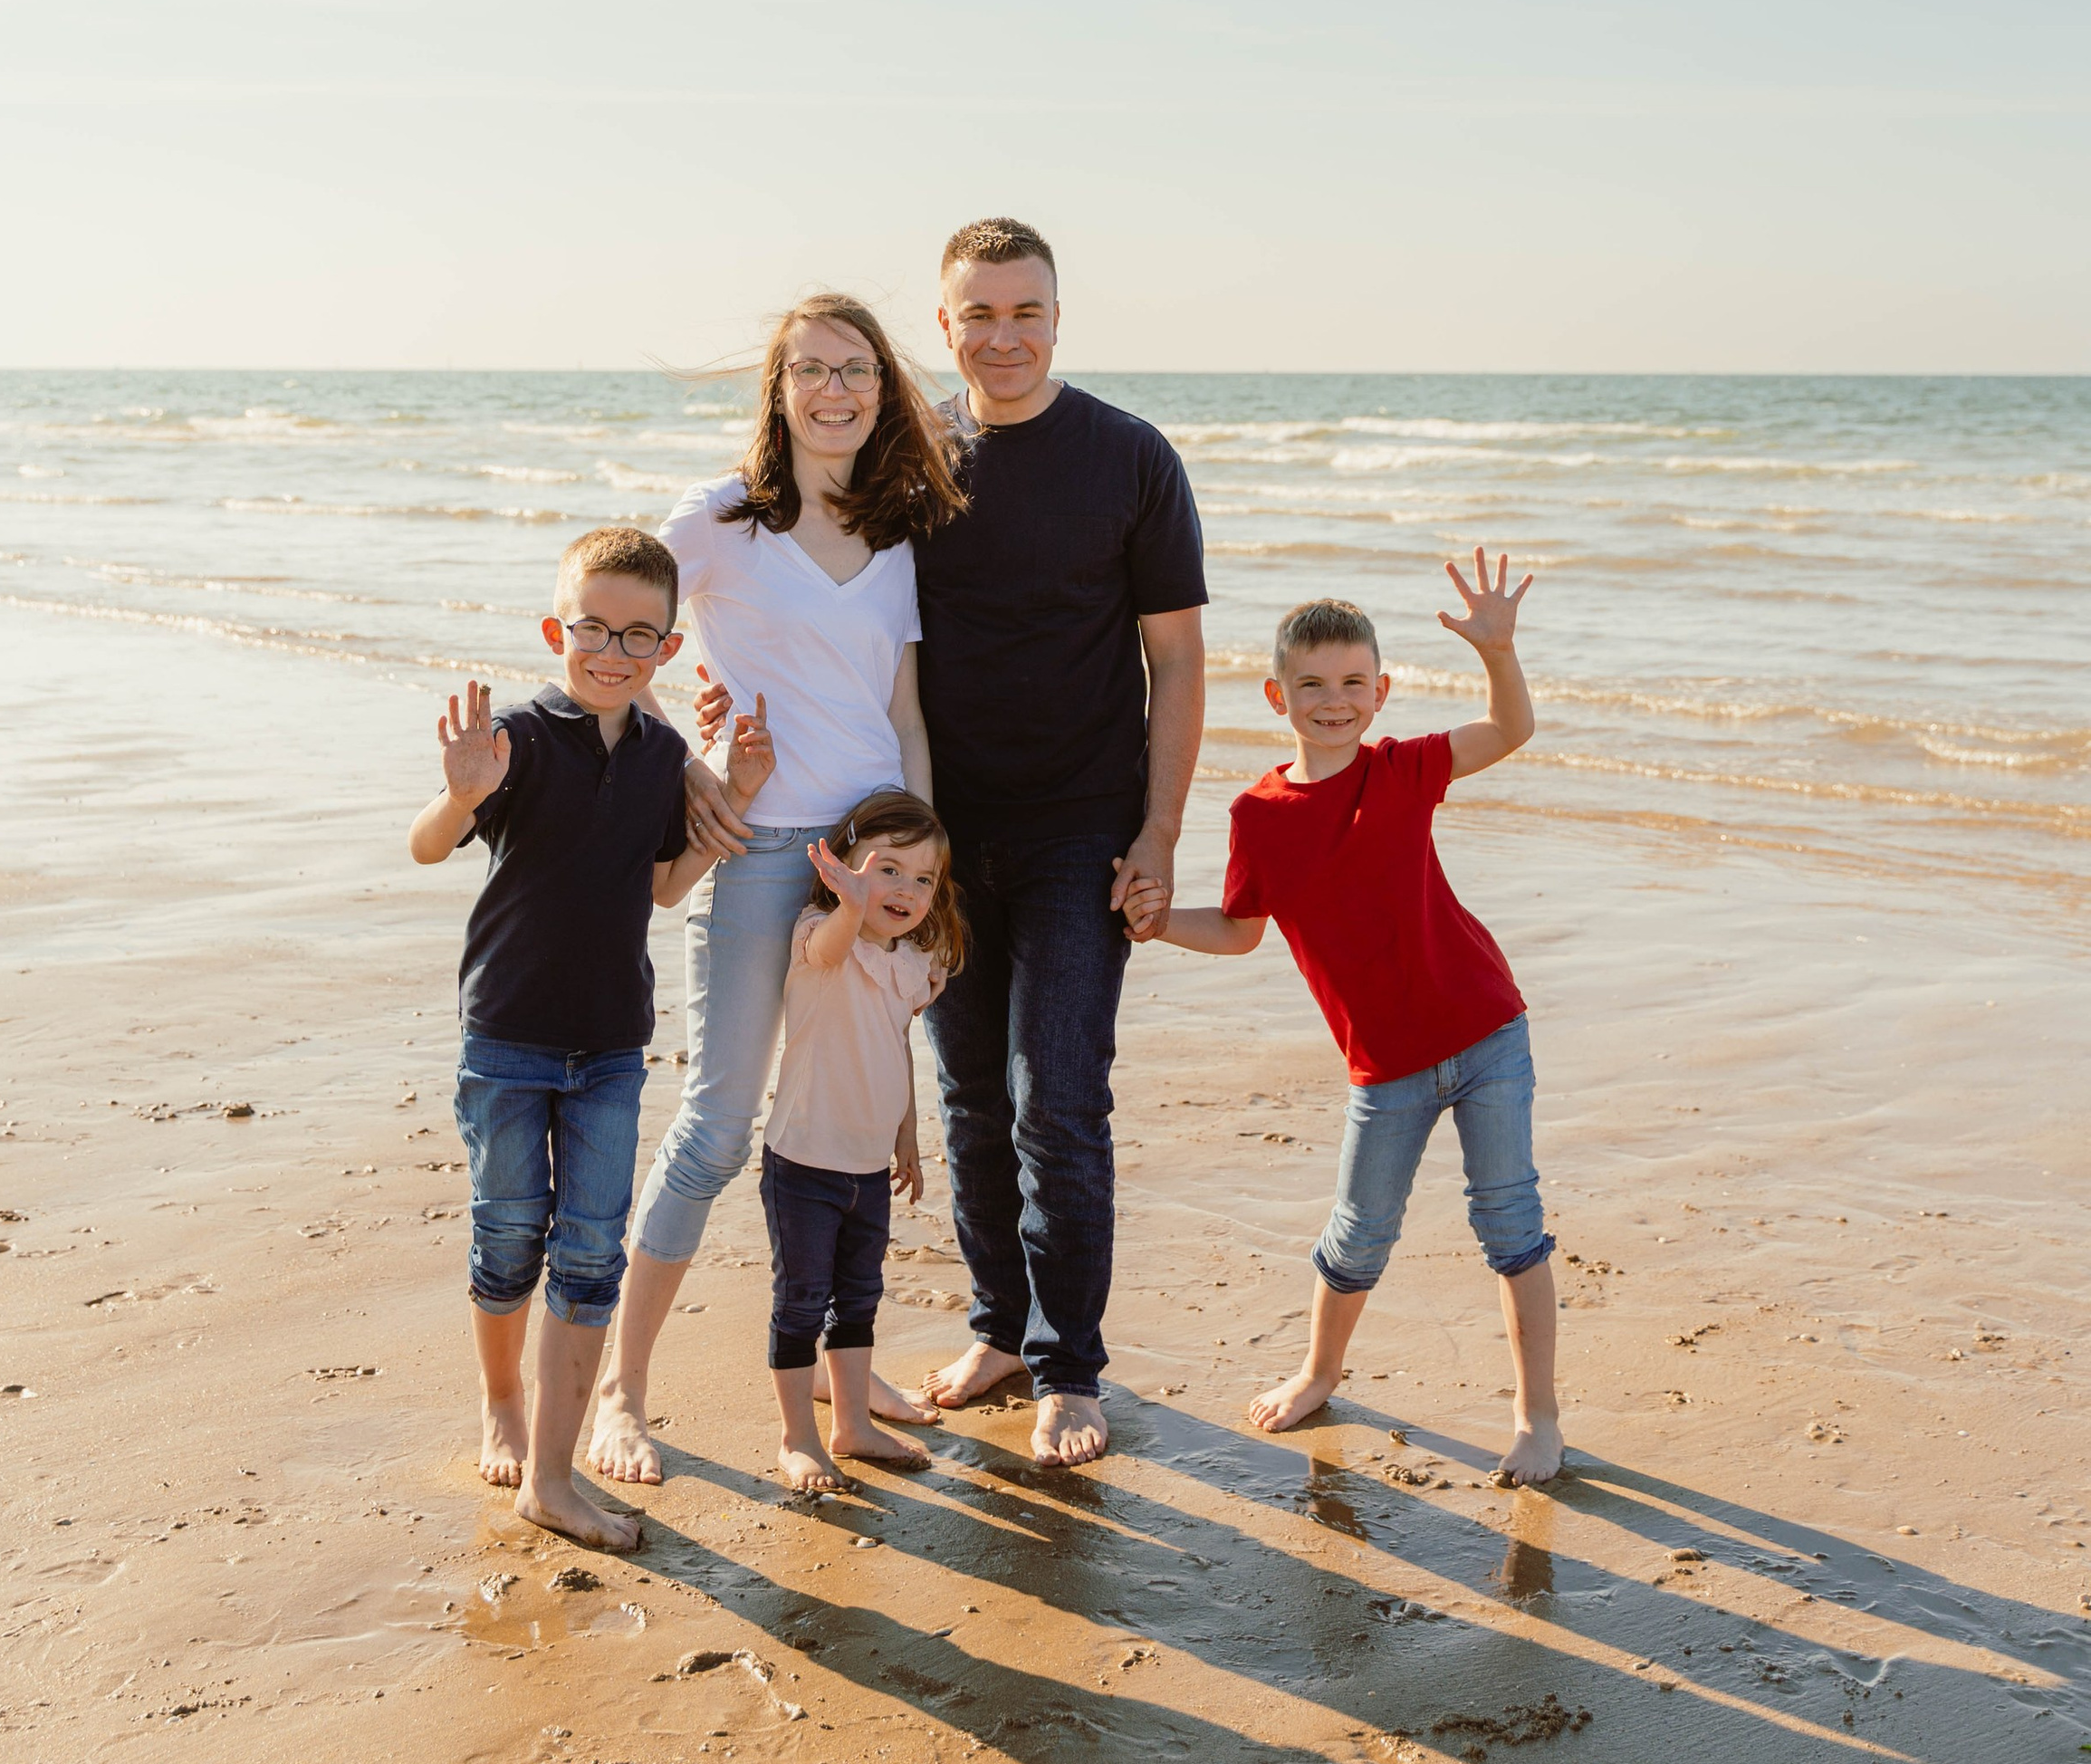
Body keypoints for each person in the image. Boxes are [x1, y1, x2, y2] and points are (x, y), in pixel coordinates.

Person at [586, 294, 964, 1487]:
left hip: (874, 854)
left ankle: (850, 1382)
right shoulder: (717, 519)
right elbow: (620, 633)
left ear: (878, 387)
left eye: (856, 370)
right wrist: (689, 769)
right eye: (812, 371)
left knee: (850, 1126)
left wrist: (924, 862)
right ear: (780, 387)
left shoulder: (899, 531)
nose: (836, 391)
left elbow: (900, 711)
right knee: (719, 1125)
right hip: (758, 855)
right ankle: (617, 1392)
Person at [1127, 553, 1563, 1485]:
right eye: (1314, 684)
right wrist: (1158, 925)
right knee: (1358, 1232)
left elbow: (1510, 728)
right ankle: (1319, 1372)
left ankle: (1538, 1419)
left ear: (1381, 691)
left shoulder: (1404, 770)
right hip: (1384, 1068)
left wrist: (1497, 650)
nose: (1335, 699)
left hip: (1486, 1032)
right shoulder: (1259, 813)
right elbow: (1242, 931)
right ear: (1276, 695)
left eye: (1354, 683)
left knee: (1509, 1222)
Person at [408, 525, 772, 1550]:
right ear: (553, 630)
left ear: (667, 651)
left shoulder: (663, 758)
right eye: (592, 631)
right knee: (508, 1235)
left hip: (612, 1044)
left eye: (637, 637)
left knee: (588, 1255)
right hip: (508, 1040)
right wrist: (460, 793)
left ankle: (554, 1478)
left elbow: (661, 891)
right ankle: (501, 1404)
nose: (611, 653)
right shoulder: (514, 741)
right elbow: (427, 845)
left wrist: (732, 801)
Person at [910, 216, 1208, 1467]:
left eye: (1025, 311)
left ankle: (1070, 1368)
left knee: (1060, 1102)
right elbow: (823, 608)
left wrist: (1160, 832)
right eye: (979, 315)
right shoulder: (907, 457)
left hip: (1082, 829)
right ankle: (998, 1328)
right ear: (944, 327)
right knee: (973, 1095)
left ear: (1057, 317)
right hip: (940, 834)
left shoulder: (1130, 457)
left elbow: (1178, 659)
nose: (1004, 336)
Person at [759, 791, 964, 1496]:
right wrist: (850, 903)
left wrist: (907, 1132)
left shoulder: (906, 963)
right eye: (887, 869)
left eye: (923, 879)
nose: (905, 890)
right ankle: (798, 1437)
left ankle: (853, 1424)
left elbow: (895, 1046)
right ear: (843, 871)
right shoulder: (820, 933)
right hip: (804, 1165)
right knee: (800, 1302)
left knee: (859, 1297)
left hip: (868, 1167)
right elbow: (831, 944)